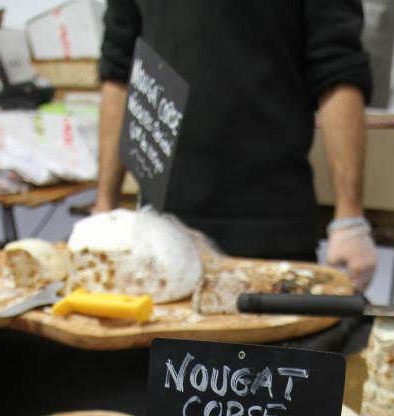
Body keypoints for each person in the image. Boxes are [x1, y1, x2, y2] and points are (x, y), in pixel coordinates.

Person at [94, 0, 377, 290]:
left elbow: (338, 68)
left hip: (268, 230)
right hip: (159, 232)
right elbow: (119, 69)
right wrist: (104, 206)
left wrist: (350, 217)